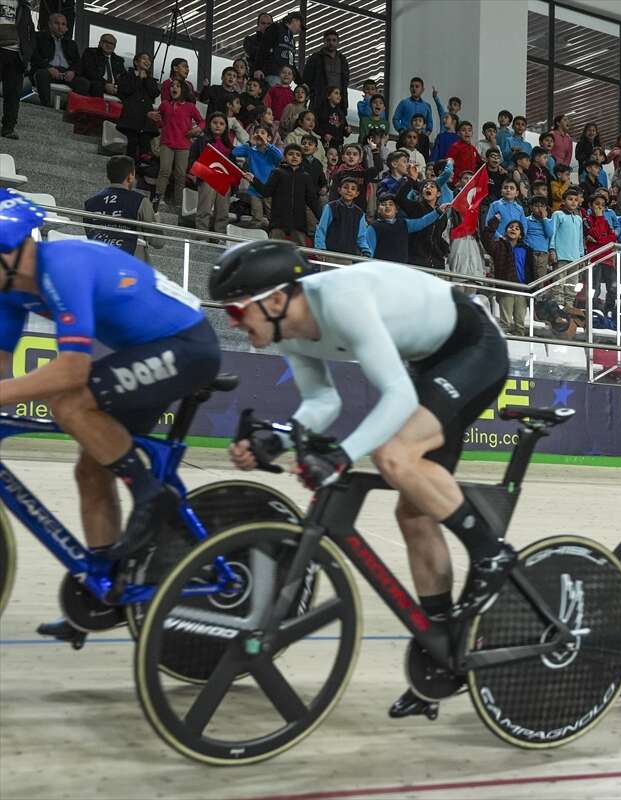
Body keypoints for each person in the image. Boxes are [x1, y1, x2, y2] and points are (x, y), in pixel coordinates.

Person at [211, 238, 510, 719]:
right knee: (413, 511)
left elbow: (392, 399)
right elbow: (322, 404)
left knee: (395, 457)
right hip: (427, 362)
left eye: (235, 312)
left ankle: (493, 556)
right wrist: (282, 439)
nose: (234, 323)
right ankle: (441, 646)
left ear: (273, 300)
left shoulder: (343, 301)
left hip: (473, 345)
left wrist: (342, 457)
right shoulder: (287, 329)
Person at [0, 191, 221, 639]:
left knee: (69, 400)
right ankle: (106, 588)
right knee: (90, 470)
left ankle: (151, 494)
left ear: (9, 251)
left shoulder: (62, 265)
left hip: (188, 346)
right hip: (148, 352)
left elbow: (72, 369)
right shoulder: (8, 296)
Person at [243, 143, 321, 245]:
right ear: (285, 157)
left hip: (298, 224)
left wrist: (322, 218)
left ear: (302, 159)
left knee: (298, 253)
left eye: (298, 155)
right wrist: (254, 180)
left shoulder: (306, 177)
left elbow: (312, 201)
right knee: (273, 250)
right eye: (291, 154)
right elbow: (266, 192)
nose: (294, 157)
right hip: (278, 222)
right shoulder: (277, 172)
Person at [83, 155, 162, 255]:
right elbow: (158, 242)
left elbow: (90, 234)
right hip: (125, 262)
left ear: (108, 175)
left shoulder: (90, 203)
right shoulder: (140, 200)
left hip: (96, 259)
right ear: (130, 176)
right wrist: (156, 223)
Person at [155, 78, 203, 209]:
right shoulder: (164, 104)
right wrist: (154, 118)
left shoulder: (190, 107)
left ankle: (178, 204)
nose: (173, 88)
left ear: (183, 90)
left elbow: (202, 122)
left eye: (177, 86)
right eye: (172, 86)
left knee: (181, 175)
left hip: (183, 145)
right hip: (166, 143)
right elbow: (159, 122)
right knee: (164, 171)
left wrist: (196, 130)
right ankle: (158, 200)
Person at [188, 112, 237, 236]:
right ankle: (201, 237)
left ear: (226, 127)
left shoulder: (229, 146)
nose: (218, 126)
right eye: (215, 123)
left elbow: (233, 166)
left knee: (222, 212)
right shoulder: (200, 141)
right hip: (207, 179)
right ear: (209, 124)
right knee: (204, 210)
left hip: (224, 181)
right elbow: (192, 160)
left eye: (221, 123)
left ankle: (219, 238)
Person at [365, 193, 440, 262]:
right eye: (383, 204)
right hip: (381, 270)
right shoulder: (373, 227)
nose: (387, 206)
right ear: (378, 210)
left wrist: (438, 211)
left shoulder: (404, 223)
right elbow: (369, 252)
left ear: (396, 210)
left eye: (391, 204)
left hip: (401, 270)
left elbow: (422, 222)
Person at [115, 51, 158, 164]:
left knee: (145, 144)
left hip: (146, 117)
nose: (147, 61)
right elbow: (125, 90)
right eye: (144, 58)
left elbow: (154, 93)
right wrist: (138, 78)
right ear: (135, 62)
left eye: (149, 60)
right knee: (132, 142)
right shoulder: (126, 75)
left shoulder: (150, 79)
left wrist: (146, 79)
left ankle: (143, 167)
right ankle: (129, 166)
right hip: (131, 115)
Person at [29, 11, 78, 107]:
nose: (60, 27)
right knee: (41, 74)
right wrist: (48, 68)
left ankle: (73, 111)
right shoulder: (38, 37)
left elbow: (78, 62)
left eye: (63, 24)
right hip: (46, 69)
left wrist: (73, 72)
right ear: (50, 25)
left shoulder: (71, 43)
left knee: (84, 83)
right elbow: (33, 56)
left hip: (66, 73)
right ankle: (46, 107)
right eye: (57, 23)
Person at [314, 176, 370, 256]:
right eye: (346, 187)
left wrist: (365, 250)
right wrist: (320, 249)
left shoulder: (360, 213)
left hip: (349, 256)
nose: (349, 191)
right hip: (329, 253)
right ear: (339, 190)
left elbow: (361, 236)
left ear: (357, 194)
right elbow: (321, 229)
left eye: (353, 189)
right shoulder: (330, 207)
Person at [301, 28, 349, 114]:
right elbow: (306, 80)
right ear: (324, 41)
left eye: (334, 40)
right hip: (319, 100)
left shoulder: (343, 60)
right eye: (329, 40)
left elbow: (345, 81)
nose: (331, 43)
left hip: (338, 101)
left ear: (338, 42)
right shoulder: (315, 58)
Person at [255, 12, 302, 87]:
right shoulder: (275, 28)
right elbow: (264, 49)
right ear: (294, 20)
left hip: (285, 79)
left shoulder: (291, 38)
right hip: (273, 74)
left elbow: (291, 62)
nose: (300, 29)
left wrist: (300, 82)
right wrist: (258, 68)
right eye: (300, 25)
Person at [73, 30, 123, 98]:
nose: (108, 45)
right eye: (105, 42)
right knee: (97, 86)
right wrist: (105, 84)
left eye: (111, 43)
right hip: (98, 83)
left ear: (114, 47)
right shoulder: (91, 53)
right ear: (100, 43)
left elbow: (123, 77)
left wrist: (116, 86)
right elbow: (90, 72)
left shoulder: (118, 60)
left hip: (114, 87)